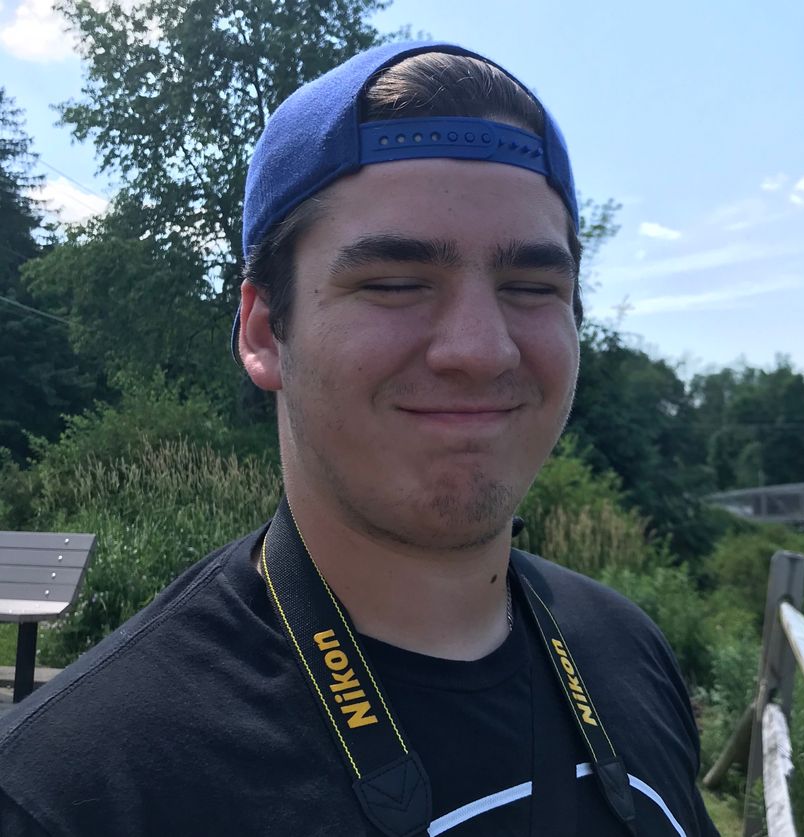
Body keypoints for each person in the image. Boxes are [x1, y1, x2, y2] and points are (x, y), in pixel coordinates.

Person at [0, 42, 719, 836]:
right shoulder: (74, 789)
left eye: (531, 287)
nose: (482, 349)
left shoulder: (627, 649)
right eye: (395, 284)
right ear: (265, 332)